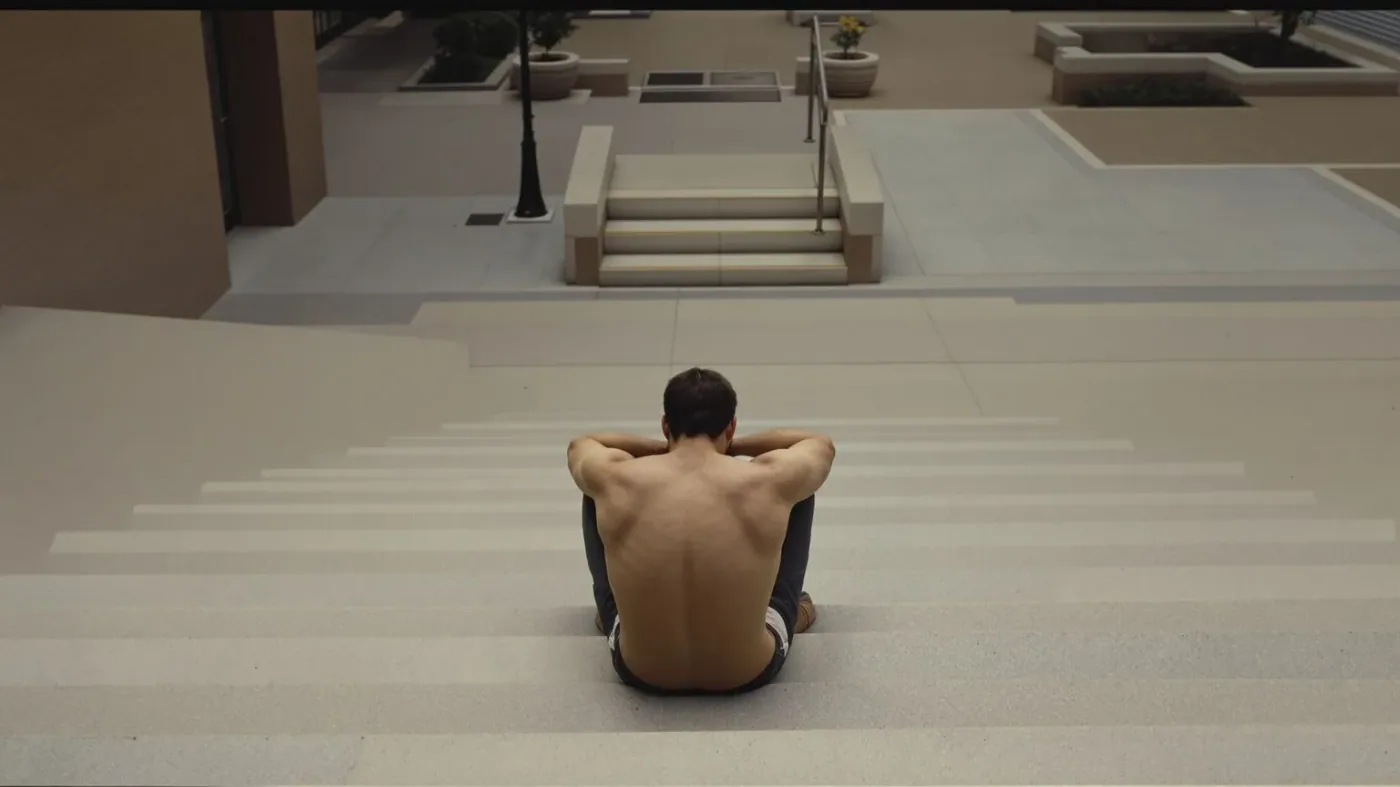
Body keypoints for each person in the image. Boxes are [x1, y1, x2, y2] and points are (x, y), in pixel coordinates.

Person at [566, 367, 836, 695]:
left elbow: (581, 444)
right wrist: (731, 446)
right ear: (730, 426)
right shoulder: (768, 479)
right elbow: (819, 445)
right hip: (746, 673)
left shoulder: (616, 476)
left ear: (666, 425)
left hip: (641, 672)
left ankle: (615, 613)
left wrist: (663, 449)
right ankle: (787, 611)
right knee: (798, 485)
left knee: (595, 487)